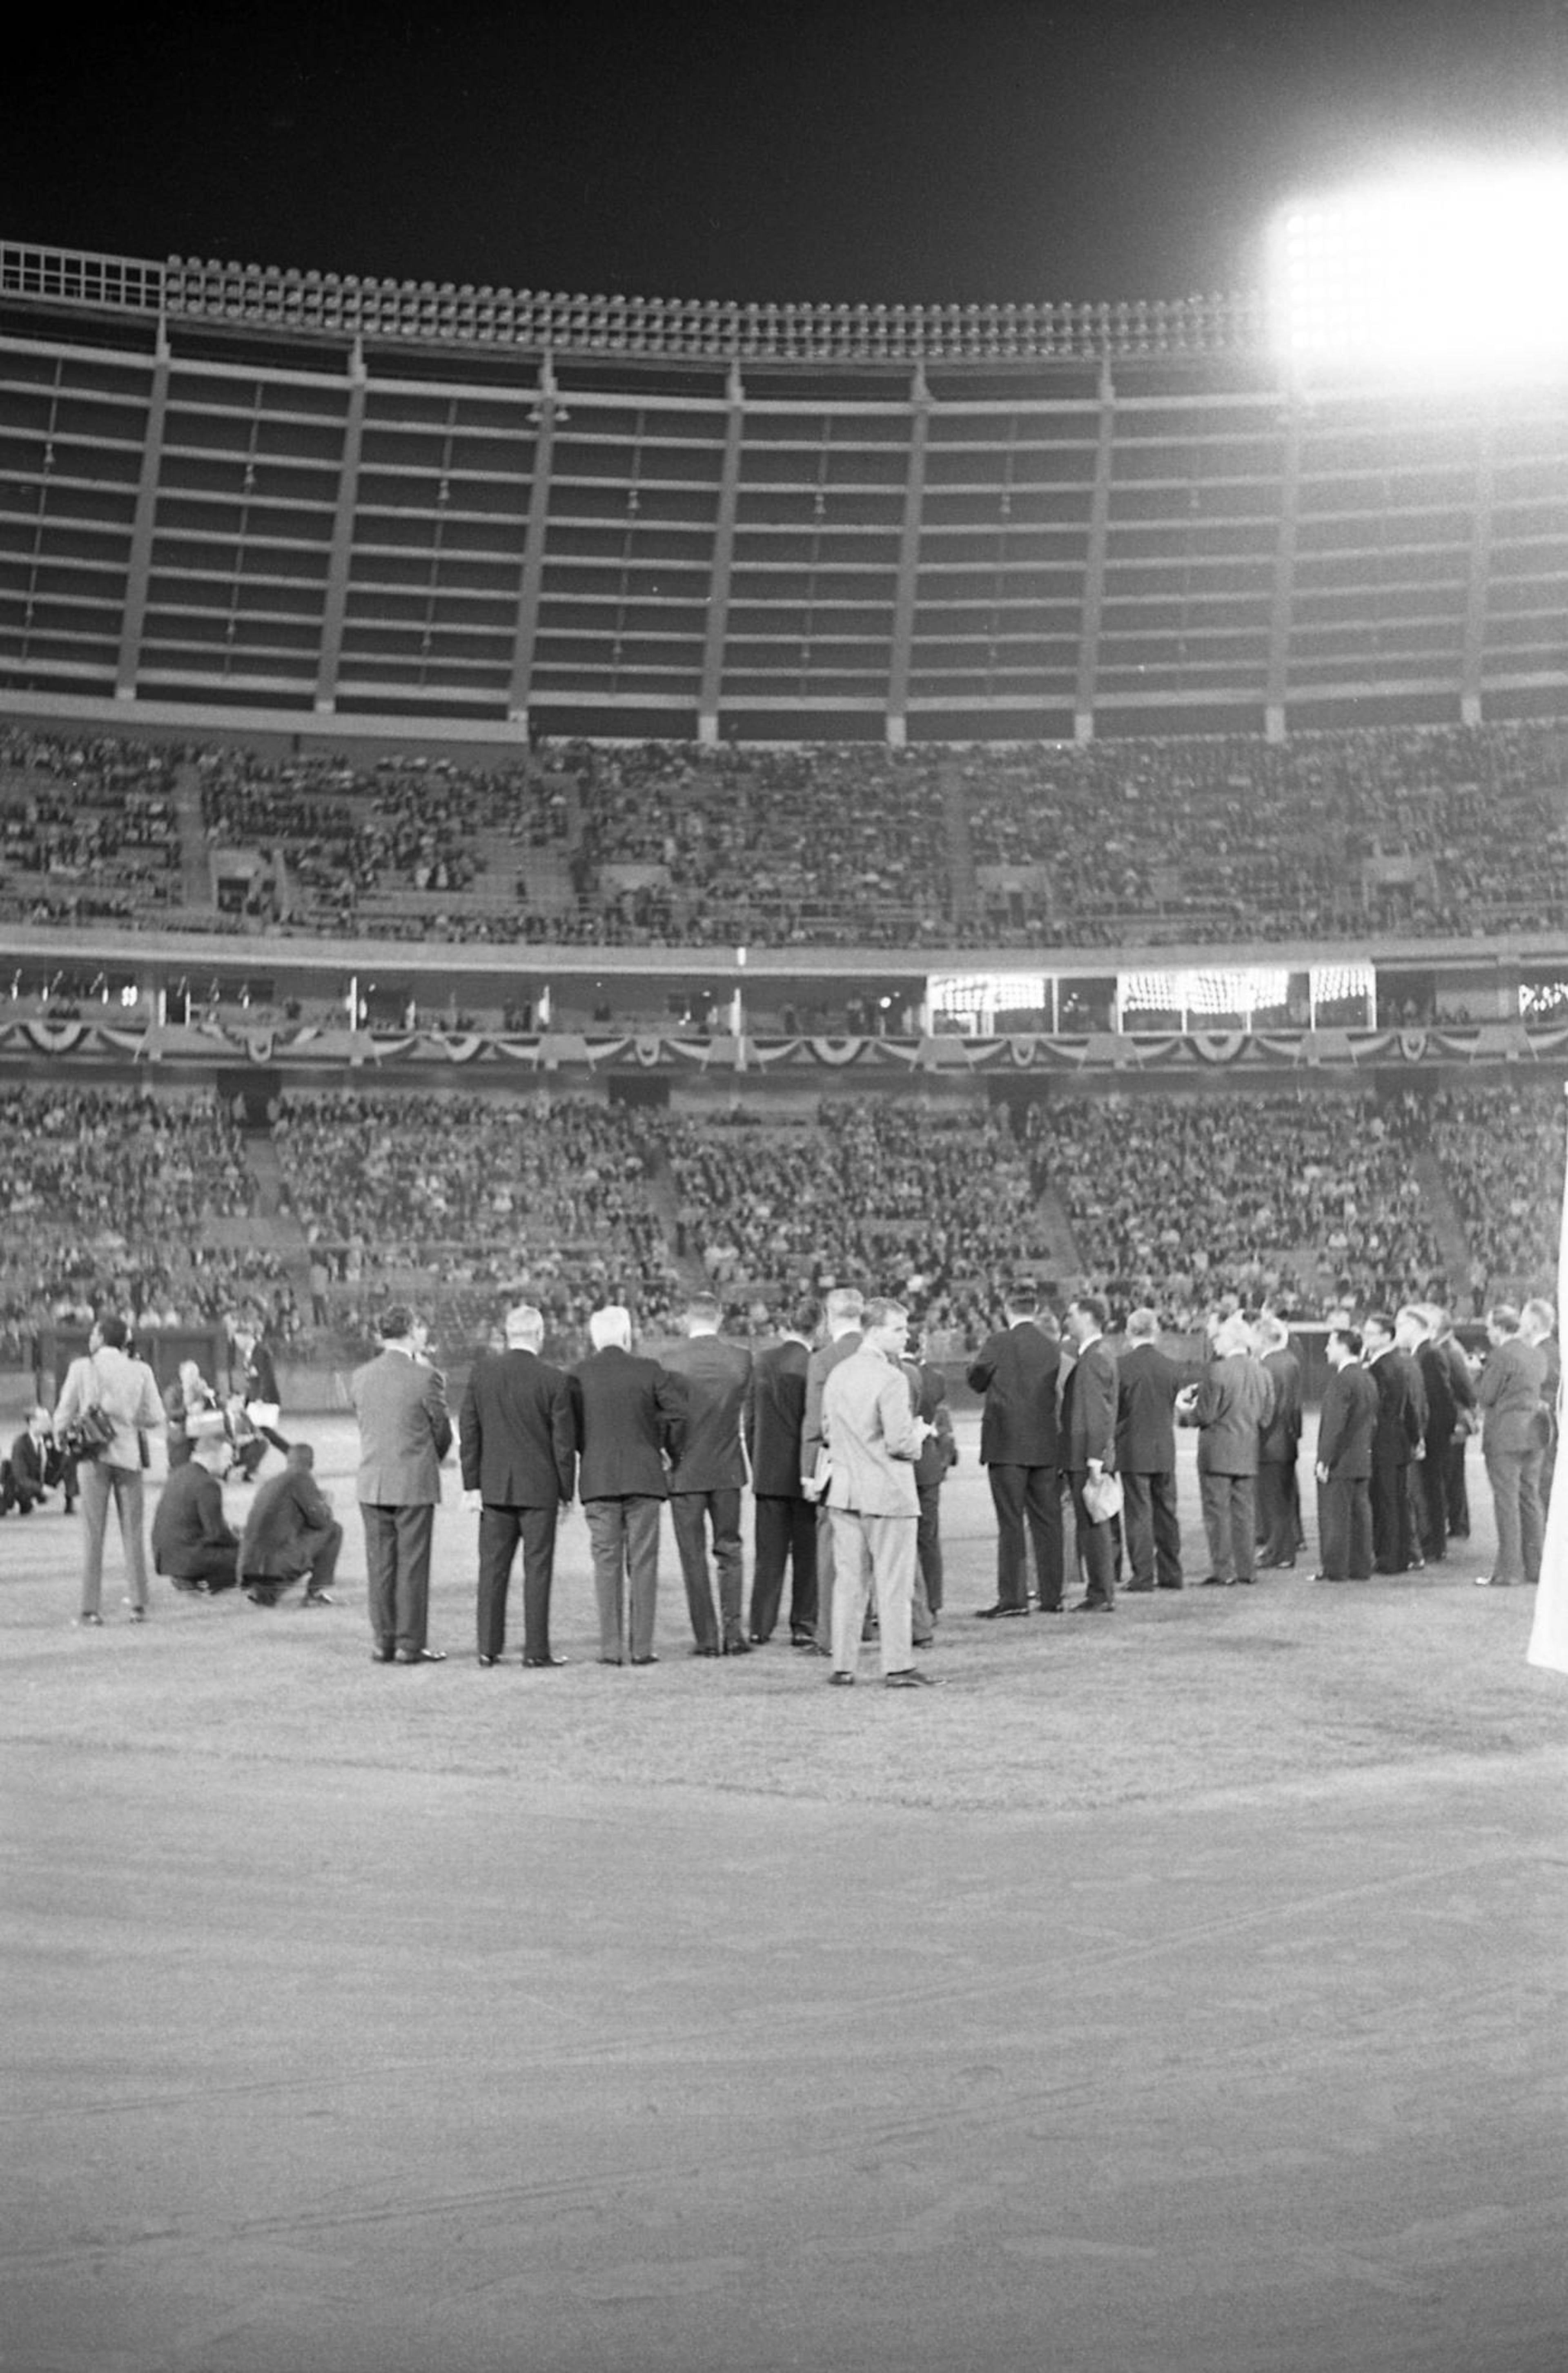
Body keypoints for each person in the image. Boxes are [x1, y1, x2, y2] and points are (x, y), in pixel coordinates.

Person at [820, 1297, 933, 1687]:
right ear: (873, 1330)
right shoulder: (891, 1378)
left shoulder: (838, 1373)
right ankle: (898, 1665)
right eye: (898, 1329)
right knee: (894, 1582)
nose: (906, 1336)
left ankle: (843, 1665)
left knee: (849, 1583)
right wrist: (920, 1435)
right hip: (887, 1494)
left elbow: (829, 1432)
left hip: (845, 1492)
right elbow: (901, 1442)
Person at [459, 1302, 577, 1667]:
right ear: (539, 1335)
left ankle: (488, 1648)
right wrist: (565, 1493)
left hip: (495, 1489)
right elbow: (563, 1444)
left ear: (507, 1335)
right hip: (539, 1490)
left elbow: (469, 1430)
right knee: (537, 1570)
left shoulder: (483, 1374)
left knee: (492, 1570)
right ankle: (536, 1651)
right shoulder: (554, 1379)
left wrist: (472, 1484)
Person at [571, 1304, 686, 1667]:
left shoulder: (578, 1375)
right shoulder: (649, 1370)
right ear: (627, 1334)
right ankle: (642, 1647)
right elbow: (679, 1413)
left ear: (594, 1337)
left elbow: (569, 1427)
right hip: (644, 1477)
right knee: (644, 1563)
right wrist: (664, 1447)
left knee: (606, 1563)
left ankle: (610, 1648)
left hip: (599, 1478)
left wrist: (588, 1449)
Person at [351, 1306, 452, 1664]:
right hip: (412, 1482)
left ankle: (383, 1642)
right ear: (409, 1331)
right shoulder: (426, 1377)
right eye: (420, 1327)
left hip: (373, 1482)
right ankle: (411, 1645)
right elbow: (442, 1432)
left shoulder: (361, 1377)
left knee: (380, 1565)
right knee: (412, 1565)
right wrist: (428, 1459)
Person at [54, 1315, 165, 1626]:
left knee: (93, 1534)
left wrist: (65, 1436)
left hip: (93, 1458)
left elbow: (63, 1414)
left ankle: (91, 1608)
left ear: (102, 1338)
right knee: (133, 1533)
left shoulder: (82, 1368)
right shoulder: (141, 1369)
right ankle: (138, 1604)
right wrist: (128, 1422)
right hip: (128, 1456)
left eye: (94, 1333)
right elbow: (155, 1415)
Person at [661, 1291, 753, 1658]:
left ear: (687, 1318)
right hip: (728, 1469)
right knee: (730, 1551)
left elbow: (669, 1419)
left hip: (685, 1470)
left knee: (693, 1556)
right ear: (719, 1317)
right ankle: (734, 1633)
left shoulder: (670, 1362)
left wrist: (670, 1452)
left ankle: (707, 1638)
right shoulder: (741, 1360)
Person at [966, 1285, 1063, 1617]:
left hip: (1006, 1444)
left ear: (1008, 1310)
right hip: (1045, 1445)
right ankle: (1053, 1595)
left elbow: (976, 1380)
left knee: (1011, 1523)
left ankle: (1014, 1598)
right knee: (1048, 1522)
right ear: (1035, 1310)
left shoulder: (998, 1343)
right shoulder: (1052, 1347)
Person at [745, 1298, 819, 1647]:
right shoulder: (815, 1366)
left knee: (769, 1556)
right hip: (805, 1475)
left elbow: (750, 1421)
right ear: (817, 1327)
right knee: (807, 1555)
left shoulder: (762, 1361)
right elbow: (816, 1425)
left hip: (769, 1473)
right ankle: (803, 1625)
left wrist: (758, 1463)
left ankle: (761, 1625)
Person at [1186, 1311, 1274, 1588]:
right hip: (1247, 1451)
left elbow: (1204, 1416)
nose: (1215, 1342)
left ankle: (1224, 1571)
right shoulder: (1263, 1371)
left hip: (1217, 1453)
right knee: (1244, 1514)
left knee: (1217, 1515)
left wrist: (1182, 1410)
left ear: (1232, 1339)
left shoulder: (1218, 1371)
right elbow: (1267, 1417)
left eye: (1219, 1337)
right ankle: (1247, 1570)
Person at [799, 1286, 864, 1655]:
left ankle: (829, 1636)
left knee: (831, 1553)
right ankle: (875, 1628)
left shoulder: (823, 1360)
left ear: (829, 1316)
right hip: (879, 1467)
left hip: (837, 1466)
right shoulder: (880, 1354)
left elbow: (815, 1421)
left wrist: (809, 1472)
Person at [1113, 1308, 1192, 1592]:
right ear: (1155, 1331)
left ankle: (1143, 1576)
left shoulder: (1121, 1366)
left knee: (1138, 1515)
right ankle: (1172, 1574)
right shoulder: (1171, 1367)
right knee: (1167, 1514)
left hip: (1133, 1450)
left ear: (1129, 1332)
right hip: (1164, 1450)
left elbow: (1116, 1411)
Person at [1474, 1302, 1547, 1590]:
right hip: (1534, 1433)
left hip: (1505, 1435)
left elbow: (1486, 1395)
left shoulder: (1501, 1355)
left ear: (1501, 1328)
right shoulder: (1535, 1353)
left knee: (1506, 1502)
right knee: (1530, 1499)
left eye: (1490, 1327)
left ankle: (1508, 1571)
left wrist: (1480, 1375)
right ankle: (1536, 1567)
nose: (1489, 1333)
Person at [1060, 1295, 1120, 1612]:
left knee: (1093, 1524)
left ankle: (1100, 1593)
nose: (1066, 1321)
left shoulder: (1094, 1358)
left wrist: (1094, 1458)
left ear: (1086, 1318)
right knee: (1095, 1523)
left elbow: (1098, 1413)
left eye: (1071, 1315)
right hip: (1089, 1452)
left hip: (1086, 1454)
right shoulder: (1099, 1354)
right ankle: (1101, 1590)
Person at [238, 1442, 344, 1608]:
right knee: (334, 1530)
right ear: (311, 1464)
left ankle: (264, 1591)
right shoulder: (301, 1478)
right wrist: (324, 1504)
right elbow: (321, 1522)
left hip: (248, 1566)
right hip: (274, 1565)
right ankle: (315, 1593)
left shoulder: (271, 1482)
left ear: (287, 1461)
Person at [902, 1324, 956, 1642]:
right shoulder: (934, 1378)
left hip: (901, 1465)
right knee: (929, 1538)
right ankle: (932, 1604)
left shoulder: (893, 1372)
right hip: (927, 1466)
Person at [1312, 1326, 1379, 1581]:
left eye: (1331, 1344)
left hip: (1342, 1462)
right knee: (1361, 1516)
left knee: (1336, 1516)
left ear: (1343, 1346)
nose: (1327, 1349)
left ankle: (1336, 1569)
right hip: (1362, 1458)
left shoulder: (1342, 1380)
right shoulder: (1366, 1377)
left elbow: (1335, 1426)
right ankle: (1361, 1567)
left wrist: (1325, 1460)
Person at [1362, 1310, 1423, 1574]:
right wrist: (1415, 1438)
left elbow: (1377, 1411)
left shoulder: (1379, 1367)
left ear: (1387, 1336)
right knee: (1396, 1501)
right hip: (1399, 1444)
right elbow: (1409, 1406)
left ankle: (1389, 1558)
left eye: (1370, 1333)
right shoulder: (1400, 1362)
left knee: (1385, 1502)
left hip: (1383, 1444)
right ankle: (1400, 1556)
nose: (1365, 1337)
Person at [151, 1432, 241, 1594]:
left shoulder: (179, 1474)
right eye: (227, 1457)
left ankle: (191, 1579)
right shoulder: (208, 1484)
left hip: (166, 1557)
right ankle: (203, 1582)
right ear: (212, 1456)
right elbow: (217, 1533)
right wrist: (242, 1543)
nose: (230, 1464)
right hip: (188, 1557)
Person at [1407, 1303, 1457, 1565]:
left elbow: (1442, 1400)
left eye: (1403, 1325)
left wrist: (1432, 1436)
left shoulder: (1430, 1354)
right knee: (1427, 1489)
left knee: (1431, 1489)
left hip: (1432, 1436)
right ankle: (1433, 1543)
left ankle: (1435, 1545)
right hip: (1429, 1434)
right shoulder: (1423, 1353)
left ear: (1415, 1327)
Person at [1255, 1313, 1303, 1569]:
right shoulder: (1290, 1360)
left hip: (1270, 1442)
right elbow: (1295, 1406)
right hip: (1287, 1440)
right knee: (1283, 1499)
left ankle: (1279, 1553)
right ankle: (1283, 1550)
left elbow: (1267, 1407)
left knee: (1273, 1501)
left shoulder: (1268, 1365)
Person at [232, 1323, 291, 1482]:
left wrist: (261, 1398)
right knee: (256, 1433)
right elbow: (253, 1380)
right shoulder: (249, 1354)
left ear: (246, 1337)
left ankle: (290, 1454)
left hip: (265, 1400)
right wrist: (246, 1399)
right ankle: (248, 1465)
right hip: (255, 1400)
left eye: (238, 1340)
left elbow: (267, 1376)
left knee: (262, 1432)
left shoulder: (261, 1352)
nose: (237, 1344)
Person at [1520, 1296, 1559, 1519]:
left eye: (1524, 1321)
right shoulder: (1553, 1350)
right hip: (1546, 1432)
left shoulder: (1540, 1354)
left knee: (1543, 1487)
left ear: (1533, 1324)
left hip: (1543, 1434)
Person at [164, 1358, 225, 1471]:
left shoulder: (203, 1390)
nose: (193, 1378)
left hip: (201, 1432)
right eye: (190, 1374)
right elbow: (171, 1414)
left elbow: (220, 1409)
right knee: (180, 1468)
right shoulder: (173, 1392)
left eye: (195, 1374)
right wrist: (188, 1411)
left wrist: (211, 1396)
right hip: (181, 1432)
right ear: (182, 1375)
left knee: (216, 1442)